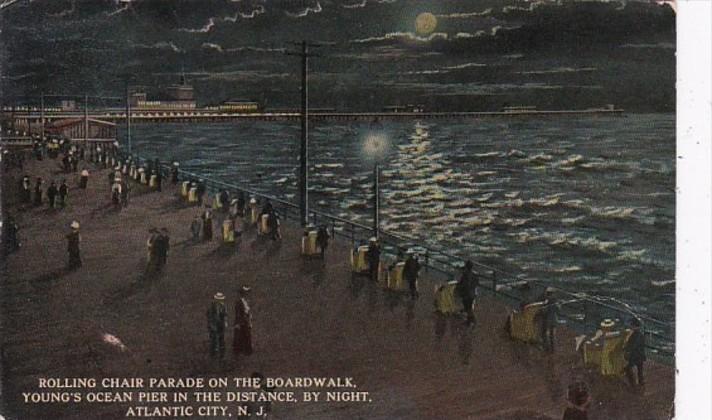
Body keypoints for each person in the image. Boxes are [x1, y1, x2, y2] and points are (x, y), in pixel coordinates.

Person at [624, 318, 646, 388]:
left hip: (635, 356)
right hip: (641, 355)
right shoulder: (641, 334)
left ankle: (633, 384)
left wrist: (626, 350)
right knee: (640, 370)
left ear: (634, 326)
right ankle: (641, 382)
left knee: (627, 368)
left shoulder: (634, 335)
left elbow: (632, 346)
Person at [456, 260, 479, 325]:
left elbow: (465, 284)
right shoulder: (475, 275)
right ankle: (469, 320)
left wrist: (459, 288)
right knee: (468, 308)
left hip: (467, 294)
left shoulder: (466, 275)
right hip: (472, 293)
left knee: (468, 308)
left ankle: (473, 321)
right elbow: (476, 283)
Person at [233, 286, 253, 357]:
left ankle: (246, 351)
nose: (247, 294)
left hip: (246, 321)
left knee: (246, 335)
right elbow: (238, 313)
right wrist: (238, 323)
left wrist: (249, 320)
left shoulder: (246, 302)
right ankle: (240, 351)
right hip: (242, 322)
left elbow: (248, 312)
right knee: (241, 336)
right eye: (245, 293)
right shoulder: (239, 302)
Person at [207, 292, 228, 359]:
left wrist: (225, 322)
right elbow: (209, 316)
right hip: (213, 325)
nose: (219, 301)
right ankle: (213, 353)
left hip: (220, 325)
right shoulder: (212, 307)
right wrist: (211, 325)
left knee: (221, 339)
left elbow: (225, 315)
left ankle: (222, 353)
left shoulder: (223, 306)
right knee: (213, 339)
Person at [538, 287, 559, 352]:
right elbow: (558, 310)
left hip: (548, 320)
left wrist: (540, 312)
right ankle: (553, 349)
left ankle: (546, 348)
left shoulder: (547, 301)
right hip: (554, 320)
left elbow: (544, 311)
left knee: (545, 334)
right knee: (552, 335)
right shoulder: (556, 302)